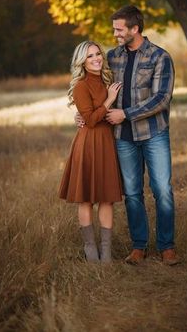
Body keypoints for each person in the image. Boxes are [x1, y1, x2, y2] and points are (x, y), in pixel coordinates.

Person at [76, 5, 179, 266]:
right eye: (114, 29)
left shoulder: (160, 57)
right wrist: (82, 115)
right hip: (123, 138)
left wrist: (126, 114)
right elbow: (95, 89)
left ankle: (167, 247)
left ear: (135, 28)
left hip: (154, 134)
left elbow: (161, 99)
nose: (115, 34)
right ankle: (139, 246)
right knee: (132, 193)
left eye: (119, 29)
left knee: (162, 190)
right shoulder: (113, 57)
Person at [58, 41, 123, 263]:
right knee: (85, 199)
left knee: (107, 199)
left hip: (106, 144)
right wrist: (109, 100)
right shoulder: (80, 86)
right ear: (82, 63)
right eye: (89, 56)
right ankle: (90, 249)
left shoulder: (108, 80)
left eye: (97, 54)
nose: (96, 58)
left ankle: (106, 252)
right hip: (87, 144)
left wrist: (109, 99)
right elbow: (92, 120)